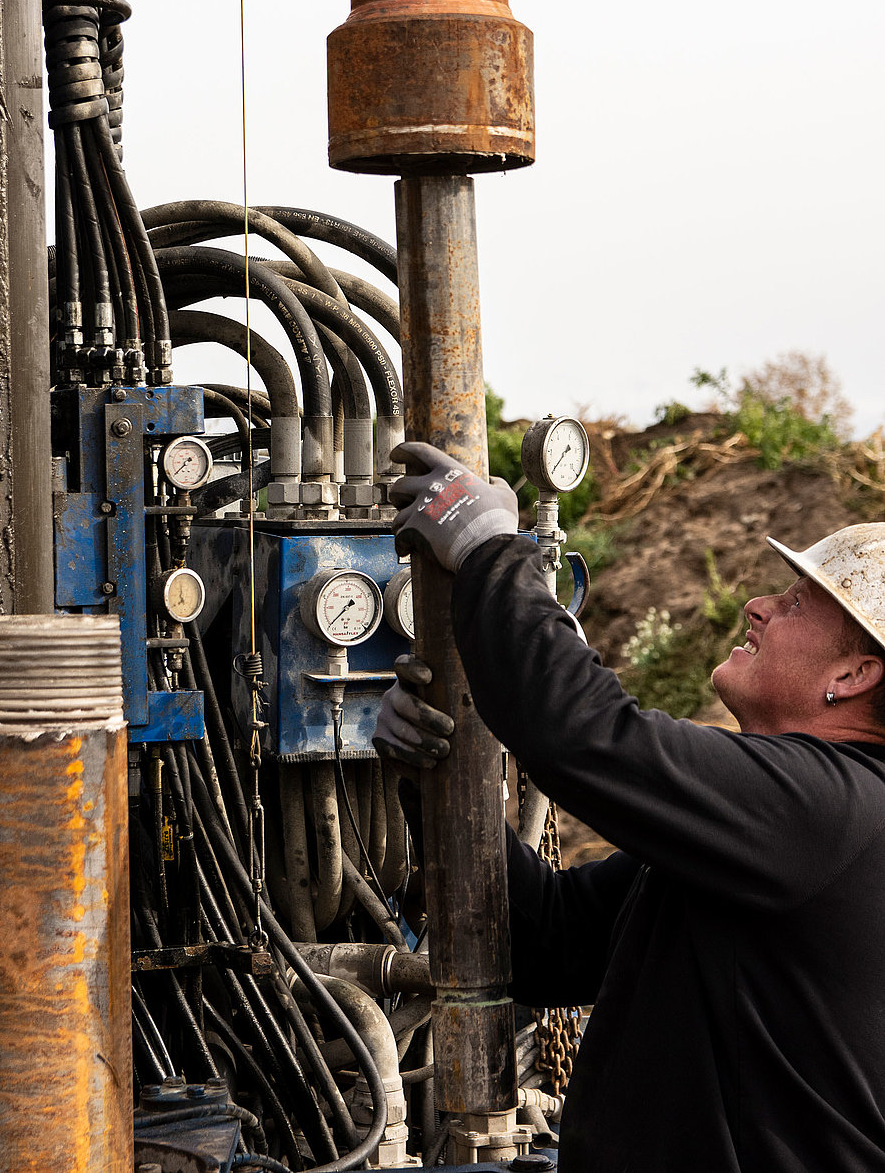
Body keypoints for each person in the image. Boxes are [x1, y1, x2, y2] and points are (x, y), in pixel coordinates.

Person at [374, 440, 885, 1173]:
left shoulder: (833, 812)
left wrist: (490, 549)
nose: (759, 605)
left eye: (797, 601)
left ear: (856, 671)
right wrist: (430, 782)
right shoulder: (776, 829)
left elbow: (585, 733)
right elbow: (547, 942)